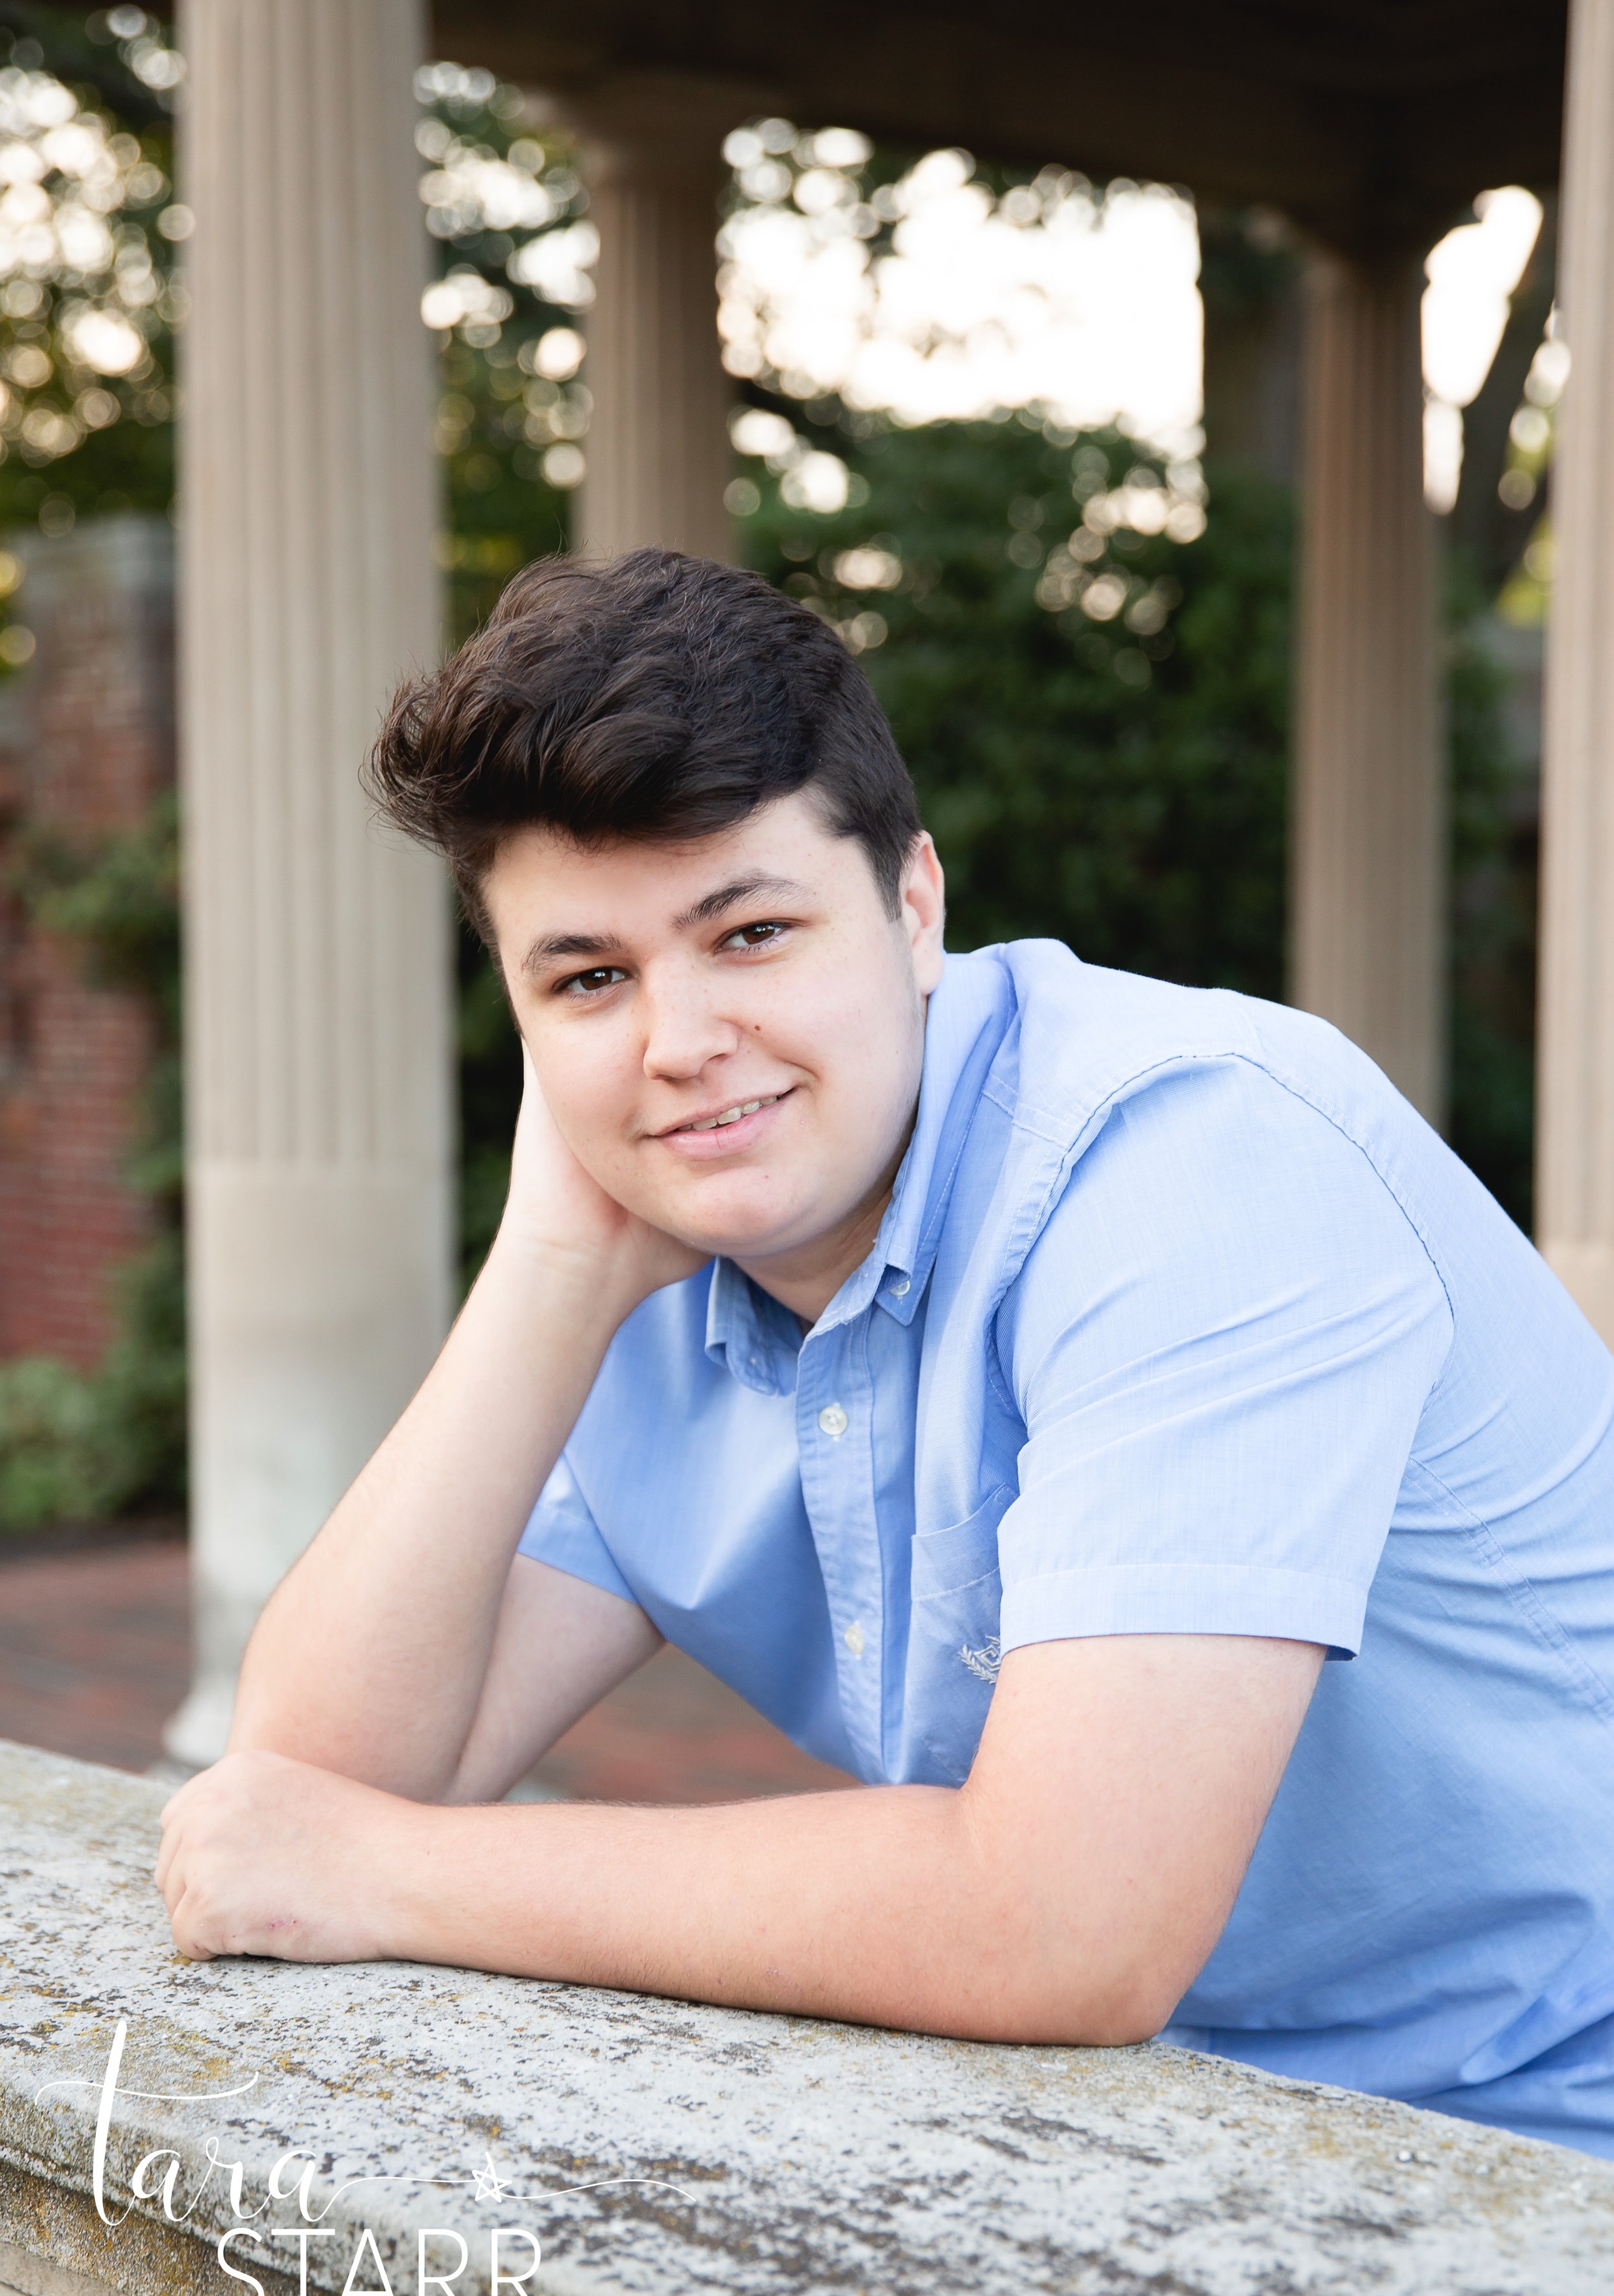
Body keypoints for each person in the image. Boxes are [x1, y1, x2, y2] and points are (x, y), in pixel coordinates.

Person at [156, 549, 1614, 2158]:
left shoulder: (1195, 1168)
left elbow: (1063, 1923)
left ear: (912, 906)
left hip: (1542, 2152)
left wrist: (385, 1875)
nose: (679, 1042)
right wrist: (548, 1268)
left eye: (750, 933)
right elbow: (300, 1791)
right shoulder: (652, 1253)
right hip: (1168, 2134)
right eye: (587, 979)